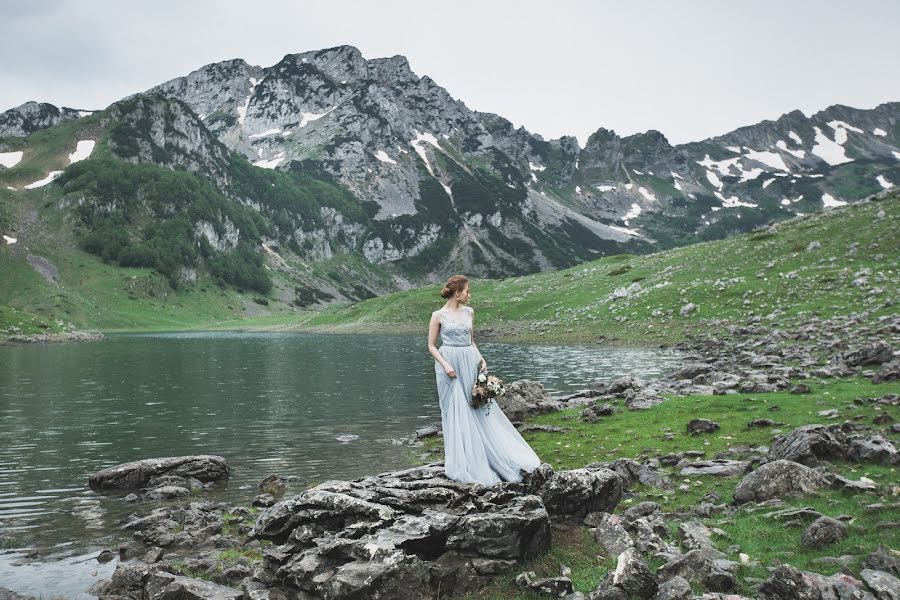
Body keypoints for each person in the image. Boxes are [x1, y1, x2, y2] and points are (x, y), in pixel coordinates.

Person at [427, 275, 542, 485]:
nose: (469, 295)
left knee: (475, 406)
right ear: (457, 292)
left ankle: (487, 456)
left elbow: (471, 341)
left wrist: (481, 358)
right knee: (456, 410)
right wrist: (446, 365)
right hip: (449, 365)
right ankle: (462, 459)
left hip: (469, 361)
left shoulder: (469, 312)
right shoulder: (438, 315)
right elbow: (431, 346)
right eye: (467, 291)